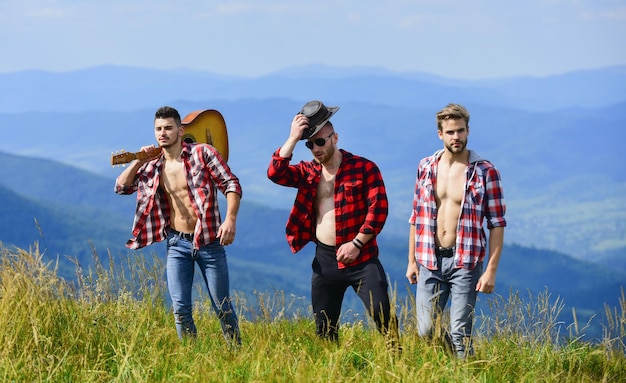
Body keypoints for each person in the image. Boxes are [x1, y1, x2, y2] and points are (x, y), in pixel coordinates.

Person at [267, 100, 398, 344]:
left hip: (362, 258)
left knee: (384, 318)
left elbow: (378, 209)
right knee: (324, 329)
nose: (316, 148)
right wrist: (293, 138)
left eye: (320, 141)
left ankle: (399, 366)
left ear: (335, 138)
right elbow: (276, 173)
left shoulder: (364, 168)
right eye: (310, 144)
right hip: (325, 259)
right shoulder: (308, 172)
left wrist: (356, 244)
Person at [115, 105, 242, 344]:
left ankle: (236, 352)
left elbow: (231, 184)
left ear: (180, 130)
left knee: (222, 306)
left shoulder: (202, 153)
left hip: (209, 242)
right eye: (158, 129)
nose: (163, 133)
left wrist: (230, 219)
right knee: (181, 308)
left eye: (168, 128)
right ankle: (191, 358)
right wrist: (136, 161)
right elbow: (121, 187)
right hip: (177, 243)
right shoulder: (153, 166)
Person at [405, 103, 506, 358]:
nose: (456, 137)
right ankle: (450, 367)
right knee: (426, 331)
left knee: (460, 333)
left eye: (460, 131)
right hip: (429, 259)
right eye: (450, 132)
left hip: (466, 262)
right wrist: (412, 261)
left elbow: (497, 223)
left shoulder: (485, 172)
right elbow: (416, 216)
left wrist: (491, 271)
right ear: (440, 134)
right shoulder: (426, 167)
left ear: (468, 131)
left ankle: (465, 373)